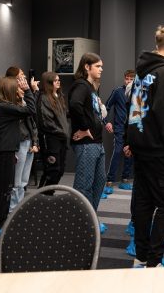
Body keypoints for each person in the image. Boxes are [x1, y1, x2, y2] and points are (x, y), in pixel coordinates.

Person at [123, 26, 164, 268]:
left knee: (144, 202)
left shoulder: (141, 73)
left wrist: (130, 140)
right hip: (159, 150)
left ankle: (141, 257)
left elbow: (133, 108)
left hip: (141, 148)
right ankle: (153, 260)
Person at [0, 76, 35, 235]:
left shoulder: (1, 106)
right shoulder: (2, 106)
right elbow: (30, 110)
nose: (18, 90)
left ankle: (0, 221)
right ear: (8, 90)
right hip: (3, 152)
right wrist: (28, 90)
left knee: (5, 189)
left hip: (6, 151)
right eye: (15, 88)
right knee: (2, 190)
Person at [69, 52, 107, 234]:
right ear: (87, 67)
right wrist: (84, 128)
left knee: (99, 182)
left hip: (97, 143)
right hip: (86, 144)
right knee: (84, 185)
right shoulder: (81, 85)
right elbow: (74, 105)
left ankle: (89, 217)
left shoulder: (91, 88)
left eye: (101, 66)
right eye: (98, 66)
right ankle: (81, 222)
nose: (101, 69)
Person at [4, 67, 39, 213]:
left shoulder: (23, 96)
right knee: (16, 181)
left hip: (28, 141)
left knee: (24, 180)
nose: (24, 78)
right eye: (21, 76)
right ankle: (13, 211)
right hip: (18, 142)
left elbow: (32, 118)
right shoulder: (10, 98)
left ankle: (19, 210)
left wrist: (35, 141)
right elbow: (28, 112)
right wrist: (30, 92)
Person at [104, 69, 136, 194]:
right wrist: (106, 122)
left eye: (131, 79)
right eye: (126, 79)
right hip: (119, 129)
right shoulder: (118, 91)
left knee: (130, 154)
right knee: (117, 152)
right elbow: (106, 107)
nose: (128, 81)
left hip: (132, 130)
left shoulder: (138, 93)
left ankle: (125, 180)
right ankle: (109, 181)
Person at [36, 72, 69, 189]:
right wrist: (60, 131)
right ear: (49, 83)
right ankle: (42, 195)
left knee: (60, 170)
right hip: (51, 138)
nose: (58, 82)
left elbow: (63, 116)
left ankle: (48, 194)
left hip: (61, 138)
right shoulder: (44, 98)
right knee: (52, 170)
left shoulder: (59, 97)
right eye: (55, 80)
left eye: (59, 80)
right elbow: (46, 122)